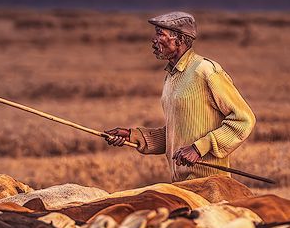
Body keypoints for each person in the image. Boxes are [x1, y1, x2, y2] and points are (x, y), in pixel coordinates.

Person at [106, 11, 256, 181]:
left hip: (210, 184)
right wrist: (133, 136)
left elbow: (244, 119)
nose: (154, 40)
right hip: (181, 184)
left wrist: (198, 148)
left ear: (179, 39)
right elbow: (176, 134)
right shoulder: (171, 77)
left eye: (160, 34)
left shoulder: (205, 70)